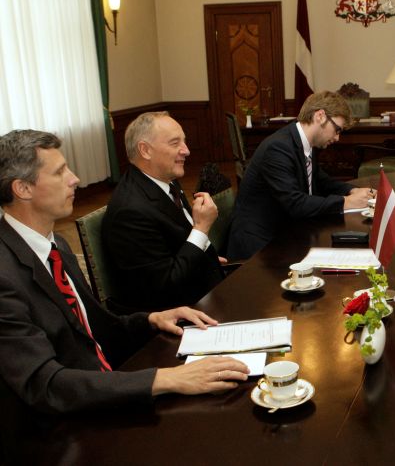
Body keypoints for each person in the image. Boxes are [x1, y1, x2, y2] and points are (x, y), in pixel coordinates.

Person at [0, 130, 248, 463]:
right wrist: (163, 379)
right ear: (23, 188)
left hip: (100, 391)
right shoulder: (4, 276)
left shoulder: (56, 244)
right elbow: (45, 385)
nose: (75, 179)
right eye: (60, 172)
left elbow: (94, 328)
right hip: (55, 433)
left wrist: (151, 319)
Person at [228, 91, 374, 259]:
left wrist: (352, 191)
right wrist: (346, 202)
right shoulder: (278, 148)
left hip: (285, 231)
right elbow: (295, 203)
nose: (337, 138)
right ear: (320, 116)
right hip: (260, 247)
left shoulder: (303, 142)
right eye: (337, 129)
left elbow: (322, 181)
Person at [102, 112, 225, 312]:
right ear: (145, 150)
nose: (186, 150)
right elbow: (165, 287)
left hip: (205, 288)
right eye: (175, 143)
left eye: (184, 141)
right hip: (181, 313)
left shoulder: (165, 180)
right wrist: (202, 228)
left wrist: (204, 257)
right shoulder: (130, 212)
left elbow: (175, 242)